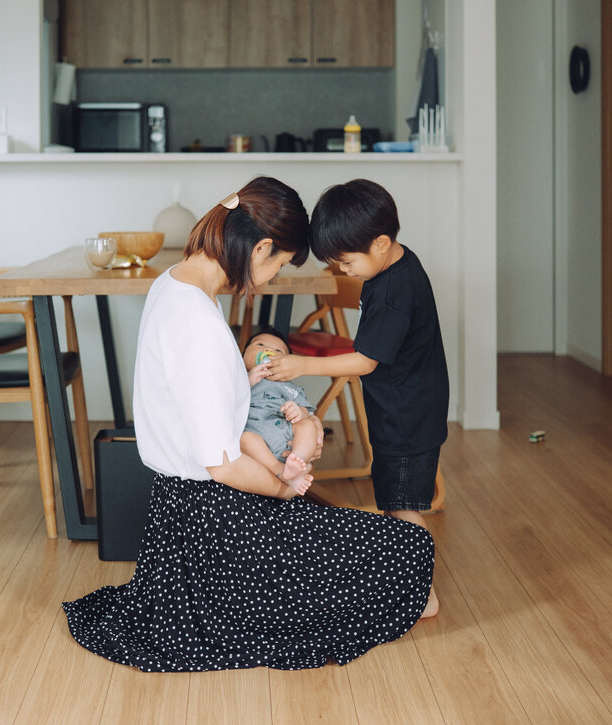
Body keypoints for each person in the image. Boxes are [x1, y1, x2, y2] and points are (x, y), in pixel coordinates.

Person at [62, 177, 436, 672]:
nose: (273, 277)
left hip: (183, 517)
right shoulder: (199, 322)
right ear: (260, 247)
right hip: (216, 525)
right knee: (407, 548)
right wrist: (285, 488)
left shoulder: (173, 283)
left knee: (357, 538)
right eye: (279, 264)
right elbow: (223, 465)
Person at [264, 179, 448, 616]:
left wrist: (301, 366)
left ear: (381, 244)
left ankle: (424, 597)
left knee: (403, 508)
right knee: (393, 501)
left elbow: (365, 361)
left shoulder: (394, 291)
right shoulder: (392, 267)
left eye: (346, 262)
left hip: (409, 415)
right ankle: (409, 586)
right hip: (402, 408)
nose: (343, 271)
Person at [240, 327, 322, 496]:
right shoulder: (239, 378)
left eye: (279, 351)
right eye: (260, 344)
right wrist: (247, 381)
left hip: (287, 439)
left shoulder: (290, 387)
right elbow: (227, 401)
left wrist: (299, 411)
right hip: (256, 440)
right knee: (245, 439)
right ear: (242, 356)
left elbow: (308, 412)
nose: (268, 351)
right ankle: (282, 471)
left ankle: (296, 461)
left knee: (307, 426)